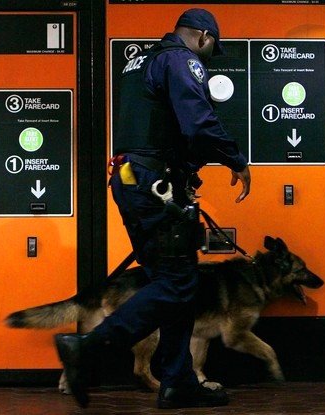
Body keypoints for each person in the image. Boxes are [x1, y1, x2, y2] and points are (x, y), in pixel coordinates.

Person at [55, 8, 251, 409]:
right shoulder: (181, 59)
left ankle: (177, 381)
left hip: (134, 180)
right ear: (201, 36)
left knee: (175, 284)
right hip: (154, 185)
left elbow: (163, 129)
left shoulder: (142, 62)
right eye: (211, 49)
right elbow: (198, 122)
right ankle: (88, 347)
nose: (208, 57)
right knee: (178, 283)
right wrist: (236, 159)